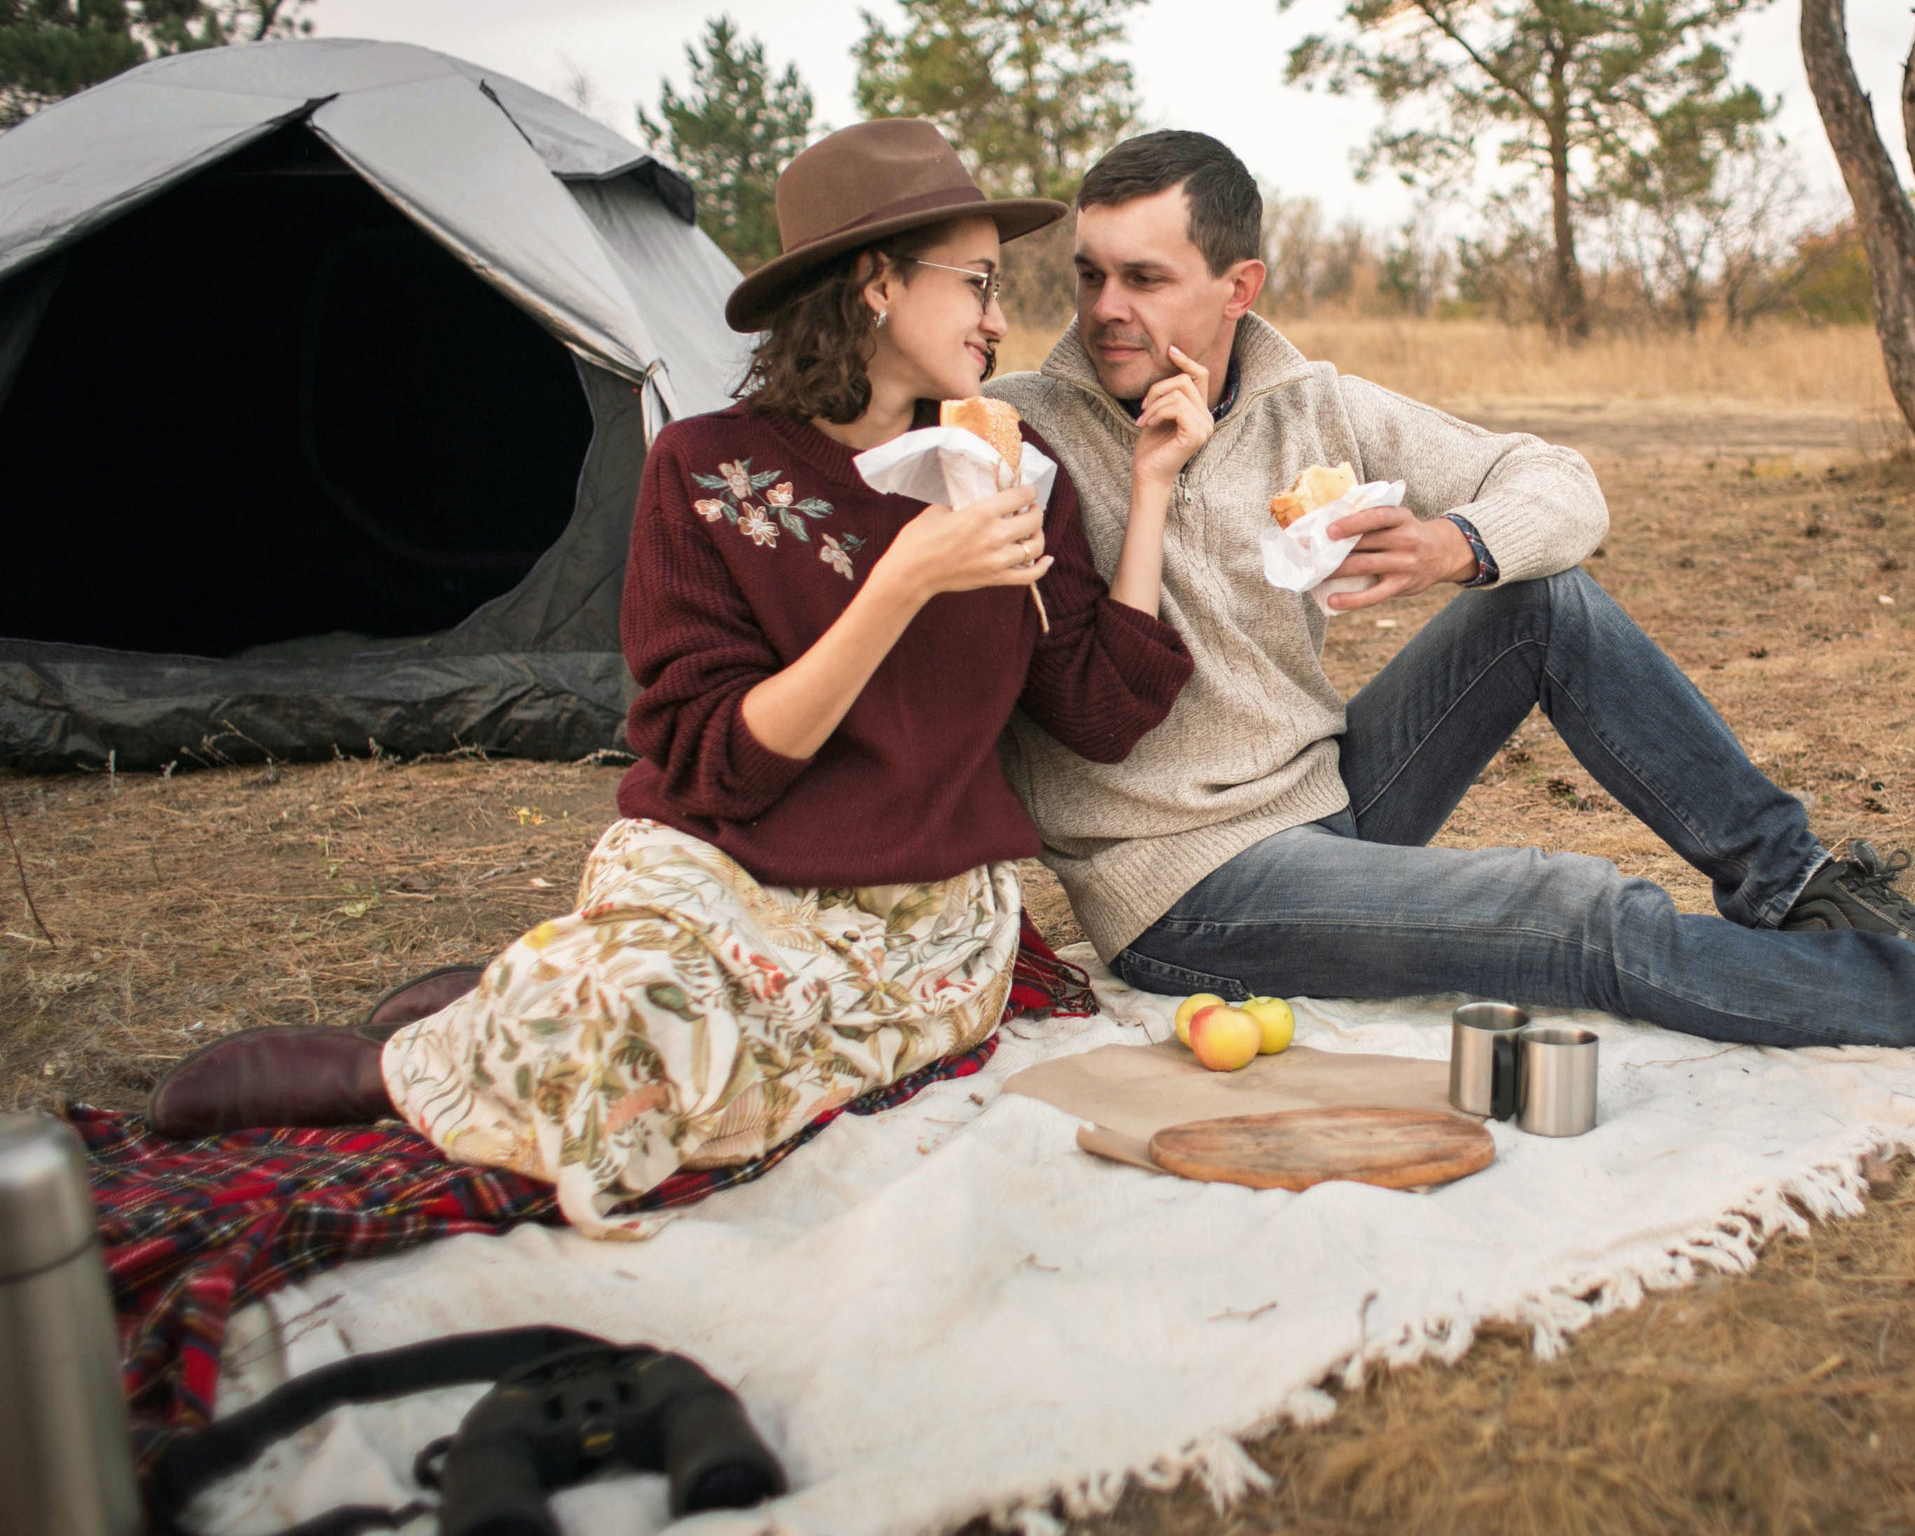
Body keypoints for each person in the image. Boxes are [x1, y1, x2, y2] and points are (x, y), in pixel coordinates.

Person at [146, 121, 1206, 1231]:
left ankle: (493, 1019)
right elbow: (717, 771)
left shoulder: (1006, 470)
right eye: (978, 284)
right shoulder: (704, 471)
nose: (1000, 318)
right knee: (658, 1012)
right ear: (878, 285)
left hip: (919, 918)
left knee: (707, 1074)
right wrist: (896, 586)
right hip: (728, 867)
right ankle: (396, 1068)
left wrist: (1149, 491)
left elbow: (1100, 708)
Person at [988, 129, 1915, 1063]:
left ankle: (1791, 889)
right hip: (1186, 884)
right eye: (1089, 276)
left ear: (1238, 287)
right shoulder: (1028, 436)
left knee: (1543, 602)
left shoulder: (1314, 405)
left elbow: (1563, 484)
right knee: (1561, 906)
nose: (1105, 311)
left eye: (1143, 279)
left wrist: (1452, 547)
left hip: (1324, 801)